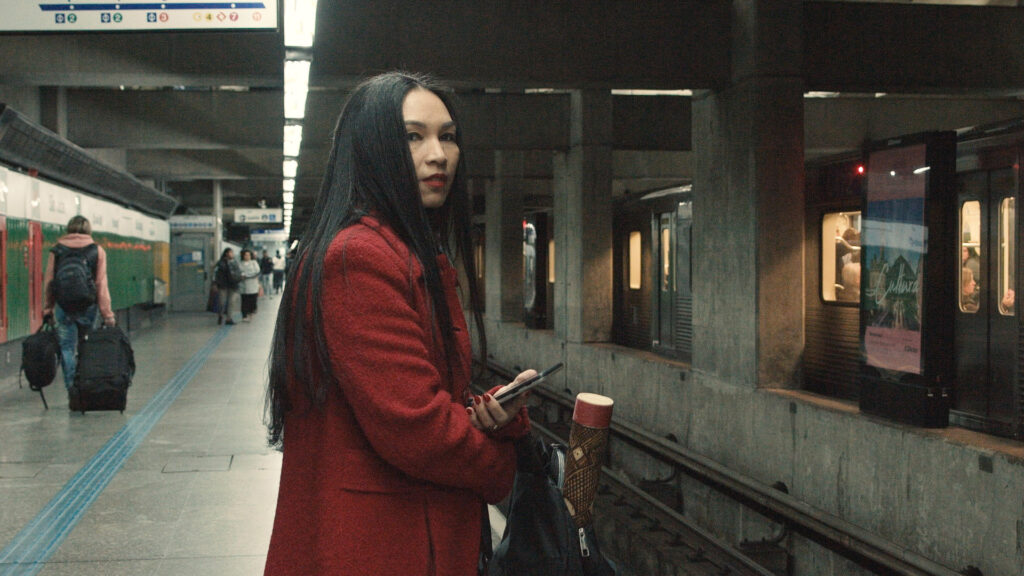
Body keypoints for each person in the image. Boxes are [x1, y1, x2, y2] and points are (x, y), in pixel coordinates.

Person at [263, 72, 536, 576]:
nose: (438, 155)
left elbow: (411, 395)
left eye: (447, 137)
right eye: (413, 136)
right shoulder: (359, 258)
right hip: (381, 543)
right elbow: (416, 428)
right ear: (371, 151)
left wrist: (488, 412)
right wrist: (507, 470)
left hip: (397, 535)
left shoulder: (397, 250)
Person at [42, 215, 116, 401]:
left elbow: (49, 282)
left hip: (64, 305)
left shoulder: (57, 250)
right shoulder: (97, 251)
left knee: (67, 348)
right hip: (88, 306)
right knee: (87, 346)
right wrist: (107, 313)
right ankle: (86, 386)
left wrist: (48, 308)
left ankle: (72, 389)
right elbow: (101, 284)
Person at [213, 248, 241, 325]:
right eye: (231, 252)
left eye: (232, 252)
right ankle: (220, 314)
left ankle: (229, 318)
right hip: (223, 285)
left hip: (233, 285)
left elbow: (239, 272)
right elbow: (215, 273)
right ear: (226, 253)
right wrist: (214, 283)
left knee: (231, 302)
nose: (232, 254)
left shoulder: (235, 262)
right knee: (222, 302)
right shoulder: (220, 263)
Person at [238, 249, 261, 322]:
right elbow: (238, 272)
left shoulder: (254, 263)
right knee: (244, 300)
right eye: (245, 255)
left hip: (253, 285)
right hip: (243, 285)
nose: (247, 256)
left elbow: (257, 271)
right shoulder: (240, 264)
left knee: (252, 300)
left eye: (248, 255)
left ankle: (251, 313)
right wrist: (242, 275)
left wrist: (247, 275)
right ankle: (244, 315)